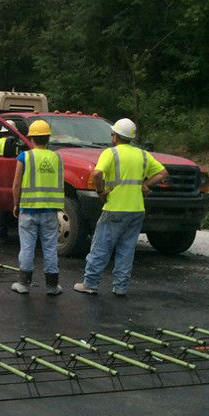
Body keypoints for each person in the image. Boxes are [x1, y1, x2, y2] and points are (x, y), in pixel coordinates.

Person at [74, 118, 167, 297]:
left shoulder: (111, 153)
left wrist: (100, 191)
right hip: (137, 209)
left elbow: (97, 173)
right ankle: (121, 287)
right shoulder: (142, 154)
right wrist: (145, 185)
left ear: (115, 136)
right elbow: (163, 173)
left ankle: (91, 283)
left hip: (115, 208)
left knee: (101, 246)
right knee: (127, 249)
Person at [11, 120, 64, 295]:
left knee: (27, 247)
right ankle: (52, 286)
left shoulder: (24, 157)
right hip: (50, 210)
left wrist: (16, 204)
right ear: (47, 138)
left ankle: (24, 284)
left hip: (29, 209)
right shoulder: (57, 158)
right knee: (50, 247)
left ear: (31, 138)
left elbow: (16, 184)